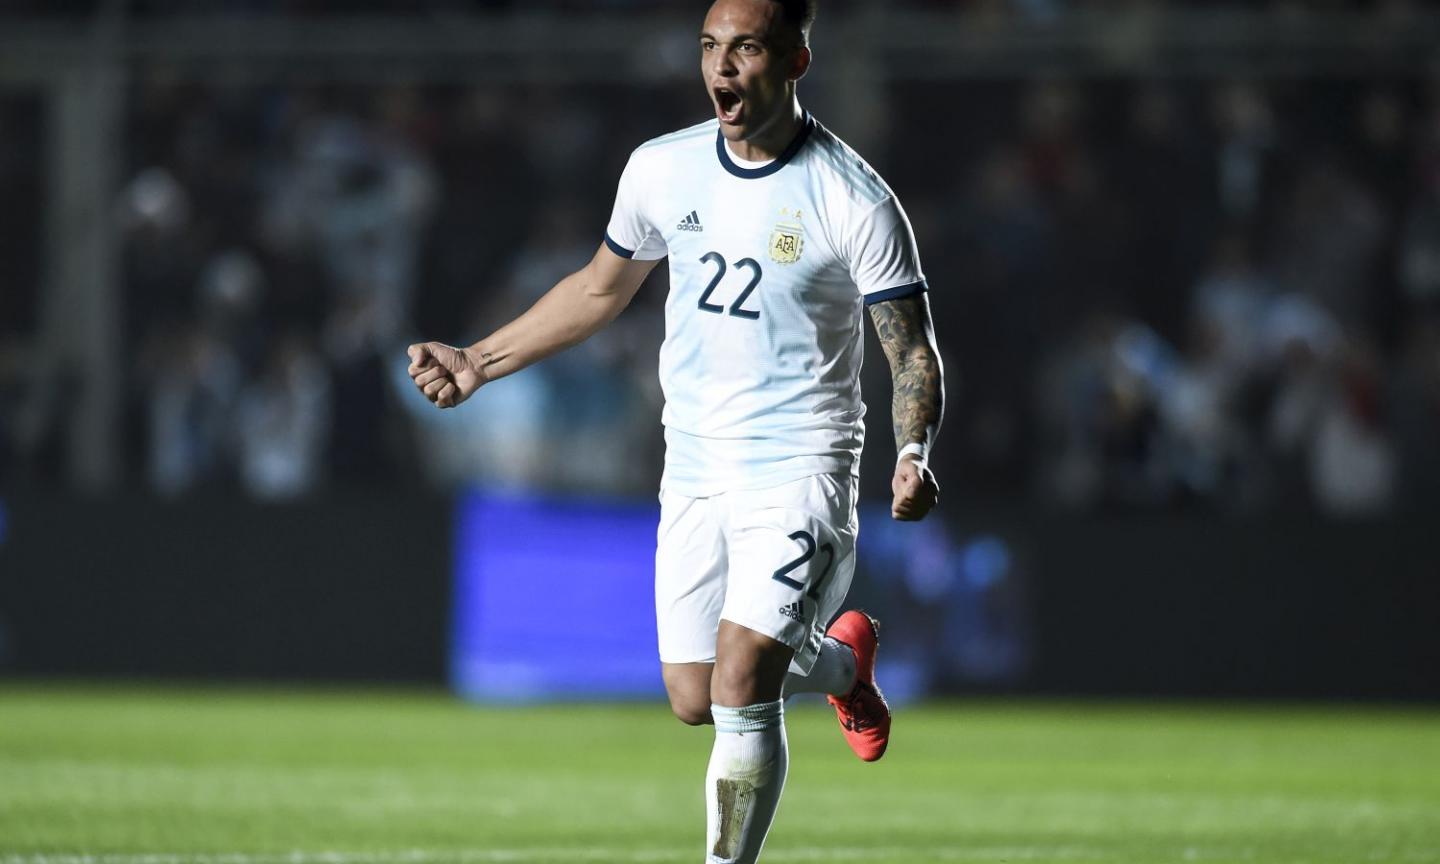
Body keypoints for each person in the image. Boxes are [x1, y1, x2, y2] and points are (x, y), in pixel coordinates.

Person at [406, 1, 943, 860]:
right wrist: (479, 360)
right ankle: (844, 668)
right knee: (696, 695)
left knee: (739, 677)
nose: (722, 68)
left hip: (802, 466)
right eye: (710, 48)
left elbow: (910, 351)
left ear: (797, 61)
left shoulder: (853, 197)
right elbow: (597, 290)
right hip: (693, 467)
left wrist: (912, 451)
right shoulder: (663, 169)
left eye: (746, 49)